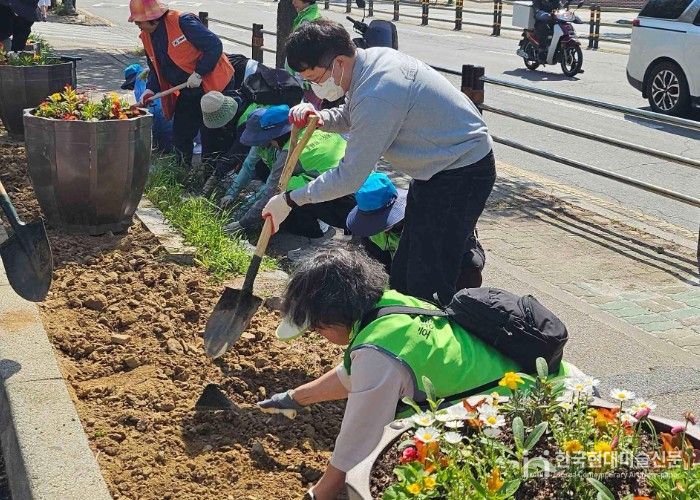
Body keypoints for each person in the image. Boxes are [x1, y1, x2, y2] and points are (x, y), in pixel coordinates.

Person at [257, 246, 575, 500]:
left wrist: (318, 495)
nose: (320, 336)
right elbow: (352, 375)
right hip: (538, 381)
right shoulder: (387, 307)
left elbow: (357, 442)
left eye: (317, 329)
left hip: (527, 413)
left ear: (332, 318)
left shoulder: (377, 354)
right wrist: (293, 398)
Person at [262, 20, 496, 305]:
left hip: (462, 171)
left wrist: (290, 199)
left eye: (315, 78)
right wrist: (320, 119)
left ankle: (432, 325)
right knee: (404, 270)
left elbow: (350, 177)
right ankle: (403, 317)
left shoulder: (379, 91)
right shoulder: (367, 64)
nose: (314, 87)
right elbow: (352, 115)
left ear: (338, 62)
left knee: (428, 278)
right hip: (435, 169)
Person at [128, 0, 235, 169]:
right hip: (188, 89)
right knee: (180, 135)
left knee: (211, 136)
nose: (138, 26)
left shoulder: (182, 22)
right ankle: (181, 172)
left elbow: (214, 45)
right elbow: (155, 68)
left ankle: (212, 176)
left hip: (214, 84)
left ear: (152, 18)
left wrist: (199, 73)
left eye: (139, 22)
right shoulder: (147, 37)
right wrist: (150, 89)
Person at [223, 105, 354, 239]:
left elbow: (272, 192)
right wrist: (231, 194)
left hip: (343, 195)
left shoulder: (289, 153)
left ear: (274, 137)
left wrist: (242, 223)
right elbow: (249, 166)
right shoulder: (312, 128)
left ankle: (317, 230)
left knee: (285, 196)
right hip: (353, 175)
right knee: (274, 178)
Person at [347, 172, 486, 288]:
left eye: (381, 220)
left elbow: (468, 258)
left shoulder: (431, 217)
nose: (378, 228)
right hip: (397, 268)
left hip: (435, 266)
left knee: (469, 265)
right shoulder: (365, 235)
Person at [121, 63, 174, 152]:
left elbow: (146, 107)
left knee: (163, 143)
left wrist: (130, 112)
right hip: (168, 114)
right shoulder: (149, 76)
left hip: (161, 118)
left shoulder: (140, 82)